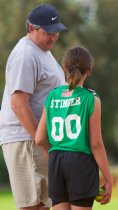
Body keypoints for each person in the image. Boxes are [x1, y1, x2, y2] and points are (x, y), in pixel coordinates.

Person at [0, 3, 67, 210]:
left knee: (45, 204)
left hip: (38, 140)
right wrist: (44, 144)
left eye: (56, 32)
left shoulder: (43, 51)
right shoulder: (25, 55)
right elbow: (19, 104)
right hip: (27, 140)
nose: (54, 37)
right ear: (31, 28)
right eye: (48, 31)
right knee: (33, 207)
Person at [35, 46, 113, 210]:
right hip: (80, 162)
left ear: (64, 67)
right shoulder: (91, 98)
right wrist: (108, 179)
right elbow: (96, 144)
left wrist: (55, 156)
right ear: (89, 71)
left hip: (56, 161)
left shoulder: (52, 95)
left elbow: (40, 138)